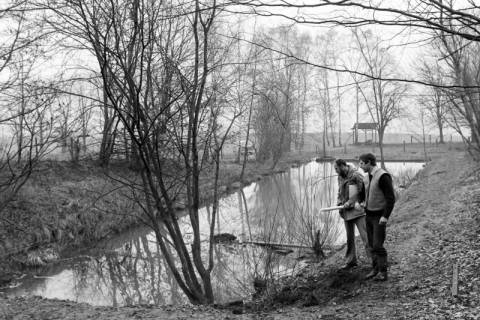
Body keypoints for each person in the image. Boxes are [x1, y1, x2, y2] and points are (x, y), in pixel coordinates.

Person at [358, 153, 395, 281]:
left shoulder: (383, 176)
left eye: (362, 163)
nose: (360, 166)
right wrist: (361, 202)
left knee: (378, 245)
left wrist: (385, 216)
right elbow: (362, 194)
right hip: (368, 215)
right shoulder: (365, 177)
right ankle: (375, 270)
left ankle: (383, 272)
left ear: (369, 162)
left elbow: (391, 198)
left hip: (379, 216)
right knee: (371, 245)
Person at [334, 159, 370, 270]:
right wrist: (339, 202)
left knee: (366, 237)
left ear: (343, 166)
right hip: (346, 212)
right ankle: (351, 261)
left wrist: (351, 202)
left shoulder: (356, 175)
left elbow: (363, 191)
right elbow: (340, 192)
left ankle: (374, 261)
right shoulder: (340, 177)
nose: (336, 171)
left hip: (358, 212)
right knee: (349, 239)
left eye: (336, 168)